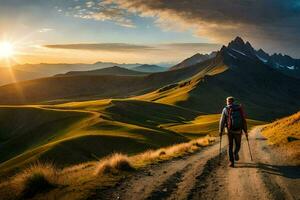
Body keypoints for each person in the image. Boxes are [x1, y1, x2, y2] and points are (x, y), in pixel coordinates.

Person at [219, 96, 248, 167]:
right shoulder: (239, 108)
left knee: (230, 146)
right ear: (233, 101)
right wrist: (245, 131)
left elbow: (222, 121)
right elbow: (243, 120)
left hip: (229, 131)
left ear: (227, 101)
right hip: (238, 130)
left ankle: (232, 162)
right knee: (238, 144)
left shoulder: (225, 109)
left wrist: (220, 130)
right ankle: (235, 153)